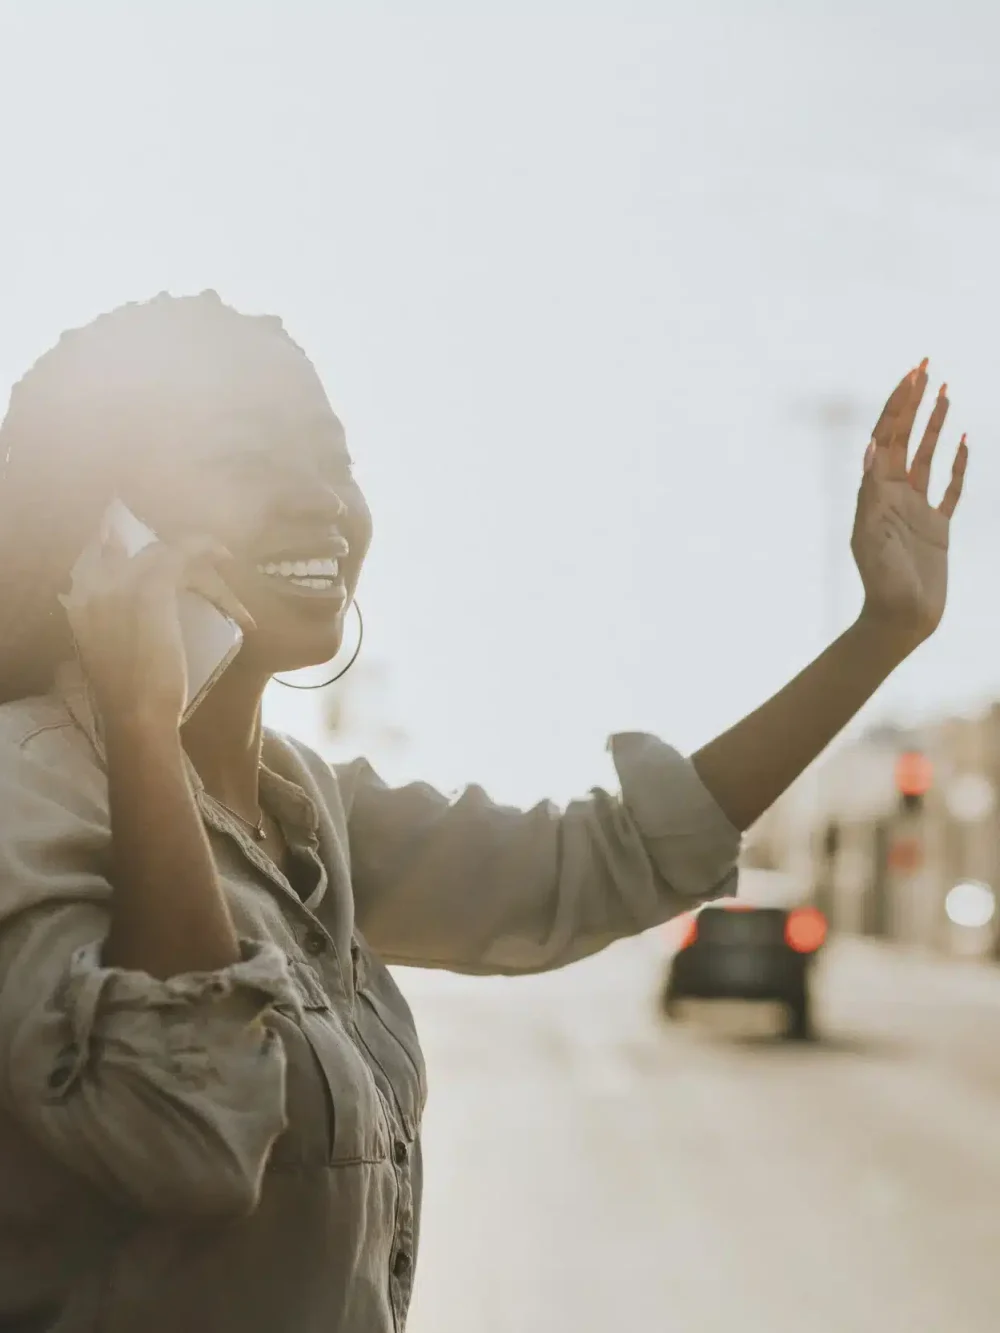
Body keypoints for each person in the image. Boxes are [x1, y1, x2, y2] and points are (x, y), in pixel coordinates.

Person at [0, 293, 966, 1332]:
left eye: (333, 457)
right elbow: (184, 1133)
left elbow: (603, 860)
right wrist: (141, 723)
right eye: (246, 457)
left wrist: (882, 633)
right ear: (108, 528)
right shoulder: (29, 794)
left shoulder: (310, 806)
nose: (318, 497)